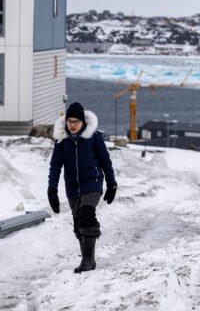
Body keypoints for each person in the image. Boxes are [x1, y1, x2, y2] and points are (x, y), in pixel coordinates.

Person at [47, 102, 117, 273]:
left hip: (92, 182)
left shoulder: (94, 137)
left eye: (76, 121)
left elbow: (105, 161)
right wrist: (52, 190)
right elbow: (55, 166)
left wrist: (111, 183)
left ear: (83, 122)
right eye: (69, 121)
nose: (72, 125)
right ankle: (90, 260)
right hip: (72, 188)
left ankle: (86, 262)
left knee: (87, 215)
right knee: (78, 224)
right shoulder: (62, 140)